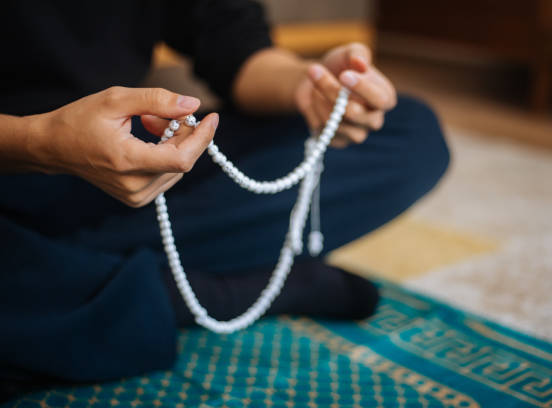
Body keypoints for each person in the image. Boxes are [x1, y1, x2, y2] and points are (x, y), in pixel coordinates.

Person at [0, 0, 449, 400]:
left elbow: (237, 47)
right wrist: (38, 142)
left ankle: (62, 276)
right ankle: (211, 291)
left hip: (131, 156)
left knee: (410, 134)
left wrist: (309, 85)